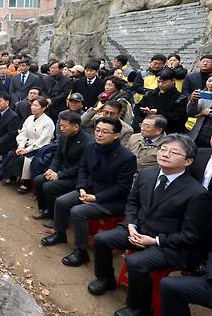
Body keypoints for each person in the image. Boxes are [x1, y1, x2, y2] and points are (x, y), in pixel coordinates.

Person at [88, 134, 210, 316]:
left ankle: (140, 307)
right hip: (138, 229)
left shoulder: (196, 193)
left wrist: (154, 241)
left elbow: (191, 235)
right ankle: (105, 279)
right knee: (101, 239)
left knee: (136, 262)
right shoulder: (147, 173)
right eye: (163, 149)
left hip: (170, 245)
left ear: (188, 161)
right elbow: (132, 203)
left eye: (174, 152)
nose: (165, 154)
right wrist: (130, 224)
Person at [41, 117, 137, 268]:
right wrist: (81, 187)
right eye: (97, 130)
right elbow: (83, 169)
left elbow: (122, 188)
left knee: (78, 211)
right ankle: (59, 234)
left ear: (116, 135)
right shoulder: (91, 147)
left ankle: (81, 251)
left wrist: (96, 197)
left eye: (105, 132)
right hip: (89, 189)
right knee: (61, 201)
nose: (99, 134)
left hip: (111, 199)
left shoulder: (127, 157)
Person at [33, 111, 93, 221]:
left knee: (49, 186)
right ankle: (44, 209)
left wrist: (59, 175)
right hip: (61, 170)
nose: (61, 129)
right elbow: (58, 156)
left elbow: (81, 167)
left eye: (64, 126)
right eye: (60, 125)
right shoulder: (64, 136)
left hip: (76, 176)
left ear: (75, 127)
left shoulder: (87, 142)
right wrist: (52, 169)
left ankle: (55, 217)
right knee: (38, 180)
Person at [4, 97, 55, 191]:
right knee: (12, 153)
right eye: (32, 105)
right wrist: (21, 145)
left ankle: (26, 182)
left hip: (40, 148)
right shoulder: (29, 118)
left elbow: (42, 141)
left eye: (36, 106)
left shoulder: (48, 122)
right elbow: (23, 133)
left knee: (24, 158)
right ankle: (12, 176)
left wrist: (27, 150)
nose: (33, 107)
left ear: (43, 108)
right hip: (26, 144)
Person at [132, 68, 187, 134]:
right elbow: (137, 109)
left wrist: (157, 113)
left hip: (168, 133)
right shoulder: (150, 94)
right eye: (158, 81)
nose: (160, 84)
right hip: (148, 131)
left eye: (164, 82)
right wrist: (144, 111)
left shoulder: (180, 98)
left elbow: (178, 118)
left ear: (173, 81)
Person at [187, 74, 212, 147]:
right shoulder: (201, 95)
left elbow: (207, 112)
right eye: (209, 81)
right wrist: (193, 101)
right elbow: (190, 113)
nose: (211, 84)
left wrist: (209, 113)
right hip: (198, 132)